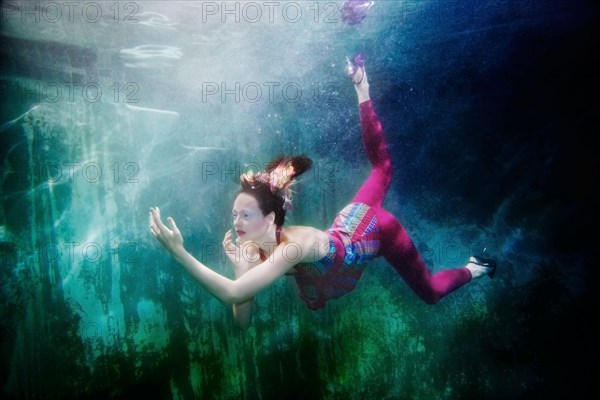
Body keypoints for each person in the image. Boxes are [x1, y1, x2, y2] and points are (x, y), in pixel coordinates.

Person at [149, 58, 496, 328]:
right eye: (235, 214)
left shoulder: (293, 247)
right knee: (382, 170)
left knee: (431, 293)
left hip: (376, 231)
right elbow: (241, 320)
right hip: (350, 220)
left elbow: (233, 295)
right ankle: (363, 91)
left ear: (269, 218)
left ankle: (477, 268)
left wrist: (178, 252)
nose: (236, 221)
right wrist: (241, 263)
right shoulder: (253, 247)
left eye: (245, 215)